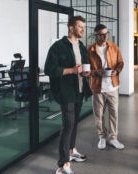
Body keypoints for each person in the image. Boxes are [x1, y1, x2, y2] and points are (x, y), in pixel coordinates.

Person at [44, 16, 92, 174]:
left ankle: (71, 151)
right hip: (66, 92)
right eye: (80, 27)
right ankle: (63, 164)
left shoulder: (82, 47)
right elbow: (49, 70)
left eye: (83, 27)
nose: (83, 30)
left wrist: (86, 73)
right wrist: (71, 70)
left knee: (74, 123)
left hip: (79, 90)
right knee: (68, 126)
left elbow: (85, 67)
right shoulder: (58, 47)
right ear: (71, 28)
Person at [88, 24, 124, 150]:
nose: (105, 36)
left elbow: (120, 62)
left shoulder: (113, 47)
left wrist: (116, 71)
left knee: (114, 113)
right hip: (98, 88)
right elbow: (87, 71)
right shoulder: (90, 50)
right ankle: (102, 137)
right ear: (96, 35)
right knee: (99, 115)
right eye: (101, 34)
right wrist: (96, 72)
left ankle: (113, 138)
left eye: (106, 33)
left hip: (112, 87)